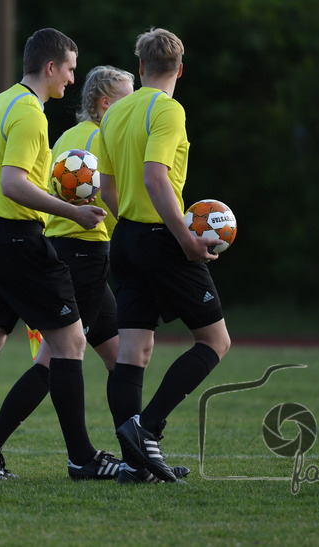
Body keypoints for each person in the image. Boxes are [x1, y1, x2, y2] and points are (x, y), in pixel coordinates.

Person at [0, 29, 122, 481]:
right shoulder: (28, 113)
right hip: (17, 239)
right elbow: (13, 184)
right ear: (50, 67)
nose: (73, 79)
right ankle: (81, 457)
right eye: (70, 69)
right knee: (71, 343)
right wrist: (72, 211)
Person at [97, 27, 231, 483]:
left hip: (127, 239)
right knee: (215, 342)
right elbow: (157, 177)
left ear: (140, 67)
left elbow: (107, 187)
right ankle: (146, 429)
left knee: (134, 350)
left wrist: (129, 225)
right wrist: (186, 240)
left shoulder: (115, 114)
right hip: (161, 238)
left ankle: (137, 464)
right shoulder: (168, 109)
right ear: (179, 68)